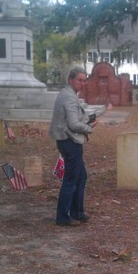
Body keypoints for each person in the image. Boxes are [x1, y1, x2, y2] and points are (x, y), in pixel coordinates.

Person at [49, 67, 97, 226]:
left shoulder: (68, 94)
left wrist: (85, 125)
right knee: (71, 179)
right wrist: (89, 128)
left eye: (84, 80)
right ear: (71, 80)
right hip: (69, 142)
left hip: (68, 140)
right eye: (79, 80)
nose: (83, 83)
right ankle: (63, 217)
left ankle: (77, 212)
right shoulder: (69, 97)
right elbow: (73, 124)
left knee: (81, 176)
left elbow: (72, 121)